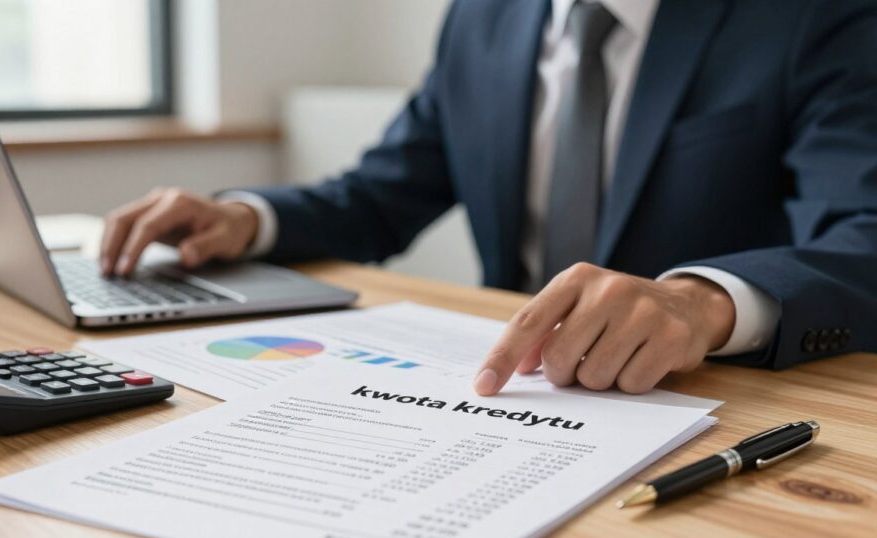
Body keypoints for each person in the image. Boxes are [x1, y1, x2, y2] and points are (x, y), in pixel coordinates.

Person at [100, 0, 877, 396]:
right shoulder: (485, 16)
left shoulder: (811, 16)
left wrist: (702, 301)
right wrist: (246, 217)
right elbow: (382, 193)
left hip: (707, 406)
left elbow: (863, 233)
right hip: (502, 392)